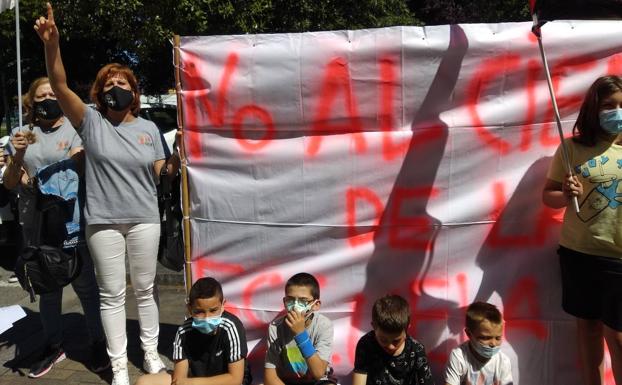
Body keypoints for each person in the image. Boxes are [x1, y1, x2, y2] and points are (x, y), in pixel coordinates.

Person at [34, 4, 180, 385]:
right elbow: (60, 85)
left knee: (146, 290)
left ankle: (150, 356)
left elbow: (160, 173)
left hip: (145, 219)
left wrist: (176, 159)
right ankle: (118, 368)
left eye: (123, 83)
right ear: (99, 93)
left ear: (134, 92)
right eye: (109, 84)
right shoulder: (90, 121)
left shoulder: (149, 128)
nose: (116, 87)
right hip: (102, 222)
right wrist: (53, 45)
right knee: (112, 295)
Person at [2, 77, 108, 378]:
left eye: (53, 93)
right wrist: (18, 158)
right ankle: (53, 344)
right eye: (42, 96)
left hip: (71, 220)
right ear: (31, 103)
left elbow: (82, 165)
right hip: (37, 226)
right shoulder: (21, 135)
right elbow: (10, 182)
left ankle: (97, 341)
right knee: (47, 288)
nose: (48, 99)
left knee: (86, 286)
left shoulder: (75, 129)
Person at [543, 75, 622, 385]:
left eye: (621, 106)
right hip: (580, 253)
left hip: (618, 259)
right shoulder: (571, 148)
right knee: (588, 330)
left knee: (616, 336)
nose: (616, 112)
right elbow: (547, 196)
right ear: (593, 109)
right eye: (608, 106)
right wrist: (565, 194)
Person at [135, 277, 252, 385]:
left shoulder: (231, 327)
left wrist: (195, 383)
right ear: (189, 309)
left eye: (213, 310)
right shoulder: (183, 332)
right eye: (199, 311)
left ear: (222, 306)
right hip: (195, 379)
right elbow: (179, 379)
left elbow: (235, 379)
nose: (207, 317)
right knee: (143, 382)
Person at [265, 272, 335, 385]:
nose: (295, 306)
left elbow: (319, 373)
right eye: (290, 300)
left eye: (303, 301)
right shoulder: (275, 327)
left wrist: (300, 333)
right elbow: (270, 378)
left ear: (316, 305)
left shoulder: (323, 325)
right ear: (284, 302)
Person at [352, 294, 434, 385]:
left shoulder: (416, 350)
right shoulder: (366, 345)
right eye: (383, 340)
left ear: (407, 329)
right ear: (374, 327)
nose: (390, 346)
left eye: (396, 341)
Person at [443, 301, 512, 385]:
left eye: (498, 338)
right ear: (469, 334)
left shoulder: (503, 362)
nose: (493, 343)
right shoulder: (459, 356)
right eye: (486, 338)